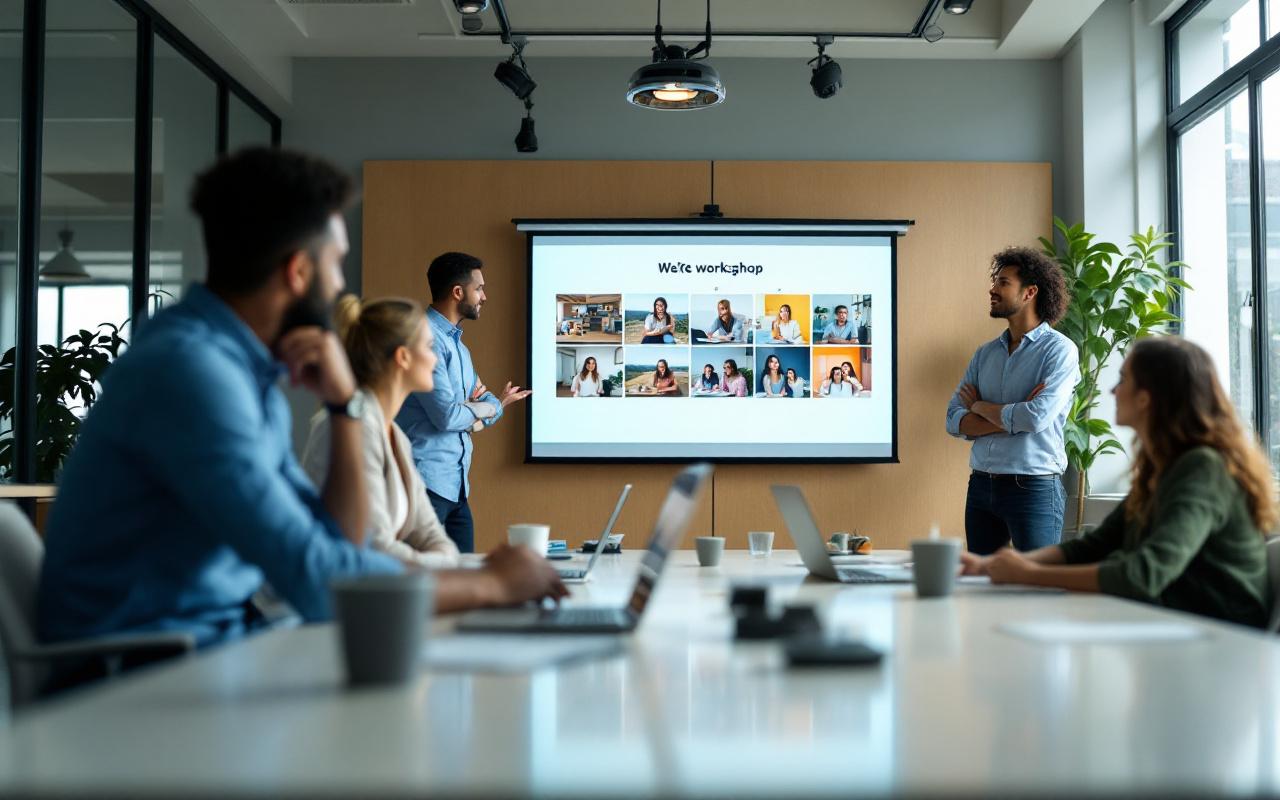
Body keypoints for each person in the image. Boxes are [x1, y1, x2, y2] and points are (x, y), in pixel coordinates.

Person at [36, 148, 565, 654]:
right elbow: (321, 581)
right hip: (144, 679)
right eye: (336, 265)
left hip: (217, 646)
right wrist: (492, 586)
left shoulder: (239, 370)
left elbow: (339, 543)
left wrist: (343, 407)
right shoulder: (191, 373)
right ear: (298, 272)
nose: (340, 287)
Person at [961, 337, 1274, 629]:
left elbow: (1143, 574)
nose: (1113, 390)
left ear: (1146, 398)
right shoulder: (1163, 467)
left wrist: (1031, 575)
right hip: (1172, 626)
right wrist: (998, 565)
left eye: (1123, 379)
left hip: (1223, 640)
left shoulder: (1202, 467)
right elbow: (1096, 545)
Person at [302, 296, 460, 568]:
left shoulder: (396, 436)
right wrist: (443, 568)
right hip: (331, 603)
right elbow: (374, 548)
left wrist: (443, 563)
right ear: (403, 357)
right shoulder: (350, 427)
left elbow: (431, 533)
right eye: (430, 347)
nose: (435, 359)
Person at [394, 252, 531, 554]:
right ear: (458, 292)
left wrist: (488, 408)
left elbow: (484, 402)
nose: (485, 296)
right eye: (479, 288)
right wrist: (490, 409)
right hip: (426, 484)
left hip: (456, 488)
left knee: (464, 580)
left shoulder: (460, 349)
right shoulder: (426, 340)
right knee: (426, 588)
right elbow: (447, 417)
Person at [945, 246, 1078, 555]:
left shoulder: (1059, 351)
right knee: (981, 588)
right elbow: (952, 419)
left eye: (1003, 283)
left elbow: (1035, 419)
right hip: (980, 487)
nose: (992, 290)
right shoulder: (985, 353)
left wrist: (978, 406)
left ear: (1030, 292)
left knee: (1036, 592)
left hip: (1032, 488)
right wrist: (1013, 419)